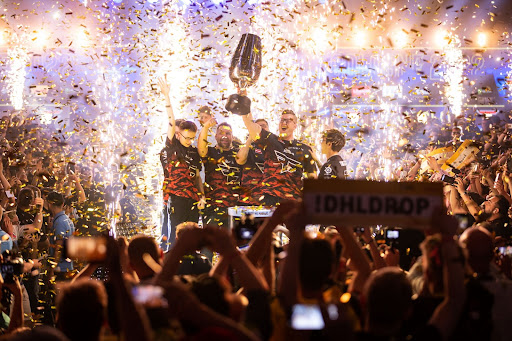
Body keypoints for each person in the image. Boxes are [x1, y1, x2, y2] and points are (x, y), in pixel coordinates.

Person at [158, 77, 204, 250]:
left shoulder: (193, 151)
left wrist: (202, 195)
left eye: (193, 138)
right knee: (175, 236)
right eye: (187, 138)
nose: (190, 141)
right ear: (178, 135)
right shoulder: (171, 148)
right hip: (175, 197)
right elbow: (171, 121)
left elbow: (197, 176)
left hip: (192, 198)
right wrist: (167, 97)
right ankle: (172, 268)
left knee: (192, 234)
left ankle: (191, 265)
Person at [242, 110, 317, 205]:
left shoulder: (304, 149)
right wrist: (244, 111)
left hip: (293, 199)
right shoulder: (271, 140)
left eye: (288, 120)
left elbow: (312, 177)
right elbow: (252, 127)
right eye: (282, 120)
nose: (284, 123)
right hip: (270, 198)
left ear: (295, 126)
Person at [198, 118, 241, 227]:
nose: (224, 136)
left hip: (234, 208)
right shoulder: (211, 152)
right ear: (216, 136)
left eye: (228, 133)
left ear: (232, 136)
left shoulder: (239, 154)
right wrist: (206, 127)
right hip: (212, 207)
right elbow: (201, 148)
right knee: (212, 242)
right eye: (221, 133)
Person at [236, 119, 268, 205]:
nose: (261, 128)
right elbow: (240, 160)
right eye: (257, 126)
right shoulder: (248, 147)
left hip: (269, 201)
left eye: (264, 126)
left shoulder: (274, 148)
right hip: (248, 200)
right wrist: (250, 137)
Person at [47, 191, 75, 281]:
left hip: (60, 269)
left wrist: (52, 271)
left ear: (49, 204)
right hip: (66, 266)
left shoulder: (60, 222)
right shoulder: (66, 219)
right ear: (62, 204)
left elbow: (58, 248)